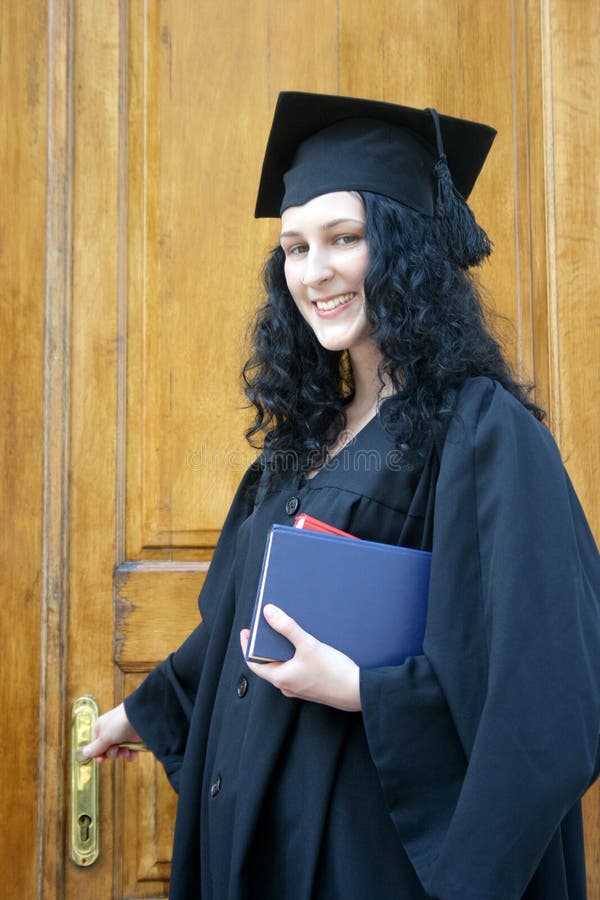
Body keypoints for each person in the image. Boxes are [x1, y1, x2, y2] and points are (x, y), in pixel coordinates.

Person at [84, 92, 600, 900]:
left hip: (372, 856)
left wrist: (364, 691)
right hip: (261, 846)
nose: (313, 271)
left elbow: (551, 691)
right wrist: (148, 713)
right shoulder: (303, 442)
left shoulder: (483, 435)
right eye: (294, 247)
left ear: (405, 248)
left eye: (344, 238)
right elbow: (242, 622)